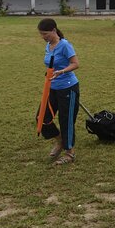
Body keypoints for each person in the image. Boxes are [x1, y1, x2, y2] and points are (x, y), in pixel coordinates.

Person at [37, 18, 80, 165]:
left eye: (45, 34)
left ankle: (70, 153)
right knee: (42, 117)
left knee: (66, 120)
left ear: (54, 30)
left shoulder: (65, 45)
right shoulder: (48, 45)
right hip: (52, 88)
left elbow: (75, 64)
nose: (43, 37)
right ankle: (60, 140)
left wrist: (61, 71)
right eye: (41, 34)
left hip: (68, 87)